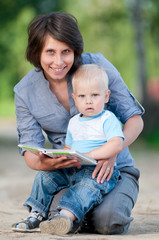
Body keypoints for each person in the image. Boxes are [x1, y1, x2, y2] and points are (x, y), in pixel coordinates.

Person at [12, 12, 144, 235]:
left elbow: (135, 119)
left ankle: (75, 215)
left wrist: (111, 152)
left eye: (66, 52)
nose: (59, 62)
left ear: (75, 50)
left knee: (108, 222)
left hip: (114, 170)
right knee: (63, 203)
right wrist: (49, 164)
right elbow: (30, 152)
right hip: (69, 172)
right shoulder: (25, 91)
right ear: (37, 52)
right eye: (50, 52)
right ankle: (62, 215)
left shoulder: (98, 68)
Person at [37, 64, 124, 235]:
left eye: (94, 95)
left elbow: (116, 144)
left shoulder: (107, 118)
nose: (88, 101)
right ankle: (35, 212)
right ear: (75, 98)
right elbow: (68, 147)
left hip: (96, 171)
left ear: (106, 96)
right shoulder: (74, 121)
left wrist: (91, 155)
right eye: (82, 96)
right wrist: (58, 157)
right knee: (44, 175)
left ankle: (65, 217)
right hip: (74, 168)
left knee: (86, 188)